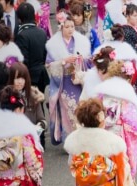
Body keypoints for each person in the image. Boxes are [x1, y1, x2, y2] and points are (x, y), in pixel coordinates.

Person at [91, 48, 137, 178]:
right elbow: (132, 117)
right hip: (122, 132)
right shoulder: (126, 95)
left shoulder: (102, 91)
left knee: (109, 162)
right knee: (125, 163)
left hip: (106, 129)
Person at [46, 12, 91, 145]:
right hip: (64, 83)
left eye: (72, 26)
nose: (70, 29)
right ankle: (70, 141)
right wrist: (63, 61)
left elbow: (88, 61)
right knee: (67, 112)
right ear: (61, 27)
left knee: (79, 109)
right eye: (67, 27)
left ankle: (81, 139)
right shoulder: (53, 44)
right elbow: (49, 65)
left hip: (77, 82)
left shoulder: (80, 41)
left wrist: (82, 59)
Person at [7, 62, 47, 146]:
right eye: (16, 78)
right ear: (11, 79)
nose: (20, 82)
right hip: (11, 143)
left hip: (31, 143)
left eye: (23, 78)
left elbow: (42, 121)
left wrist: (37, 129)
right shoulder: (5, 97)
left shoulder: (33, 97)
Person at [15, 2, 49, 92]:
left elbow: (23, 60)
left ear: (19, 18)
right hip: (41, 74)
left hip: (30, 76)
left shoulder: (22, 35)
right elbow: (45, 55)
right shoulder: (42, 32)